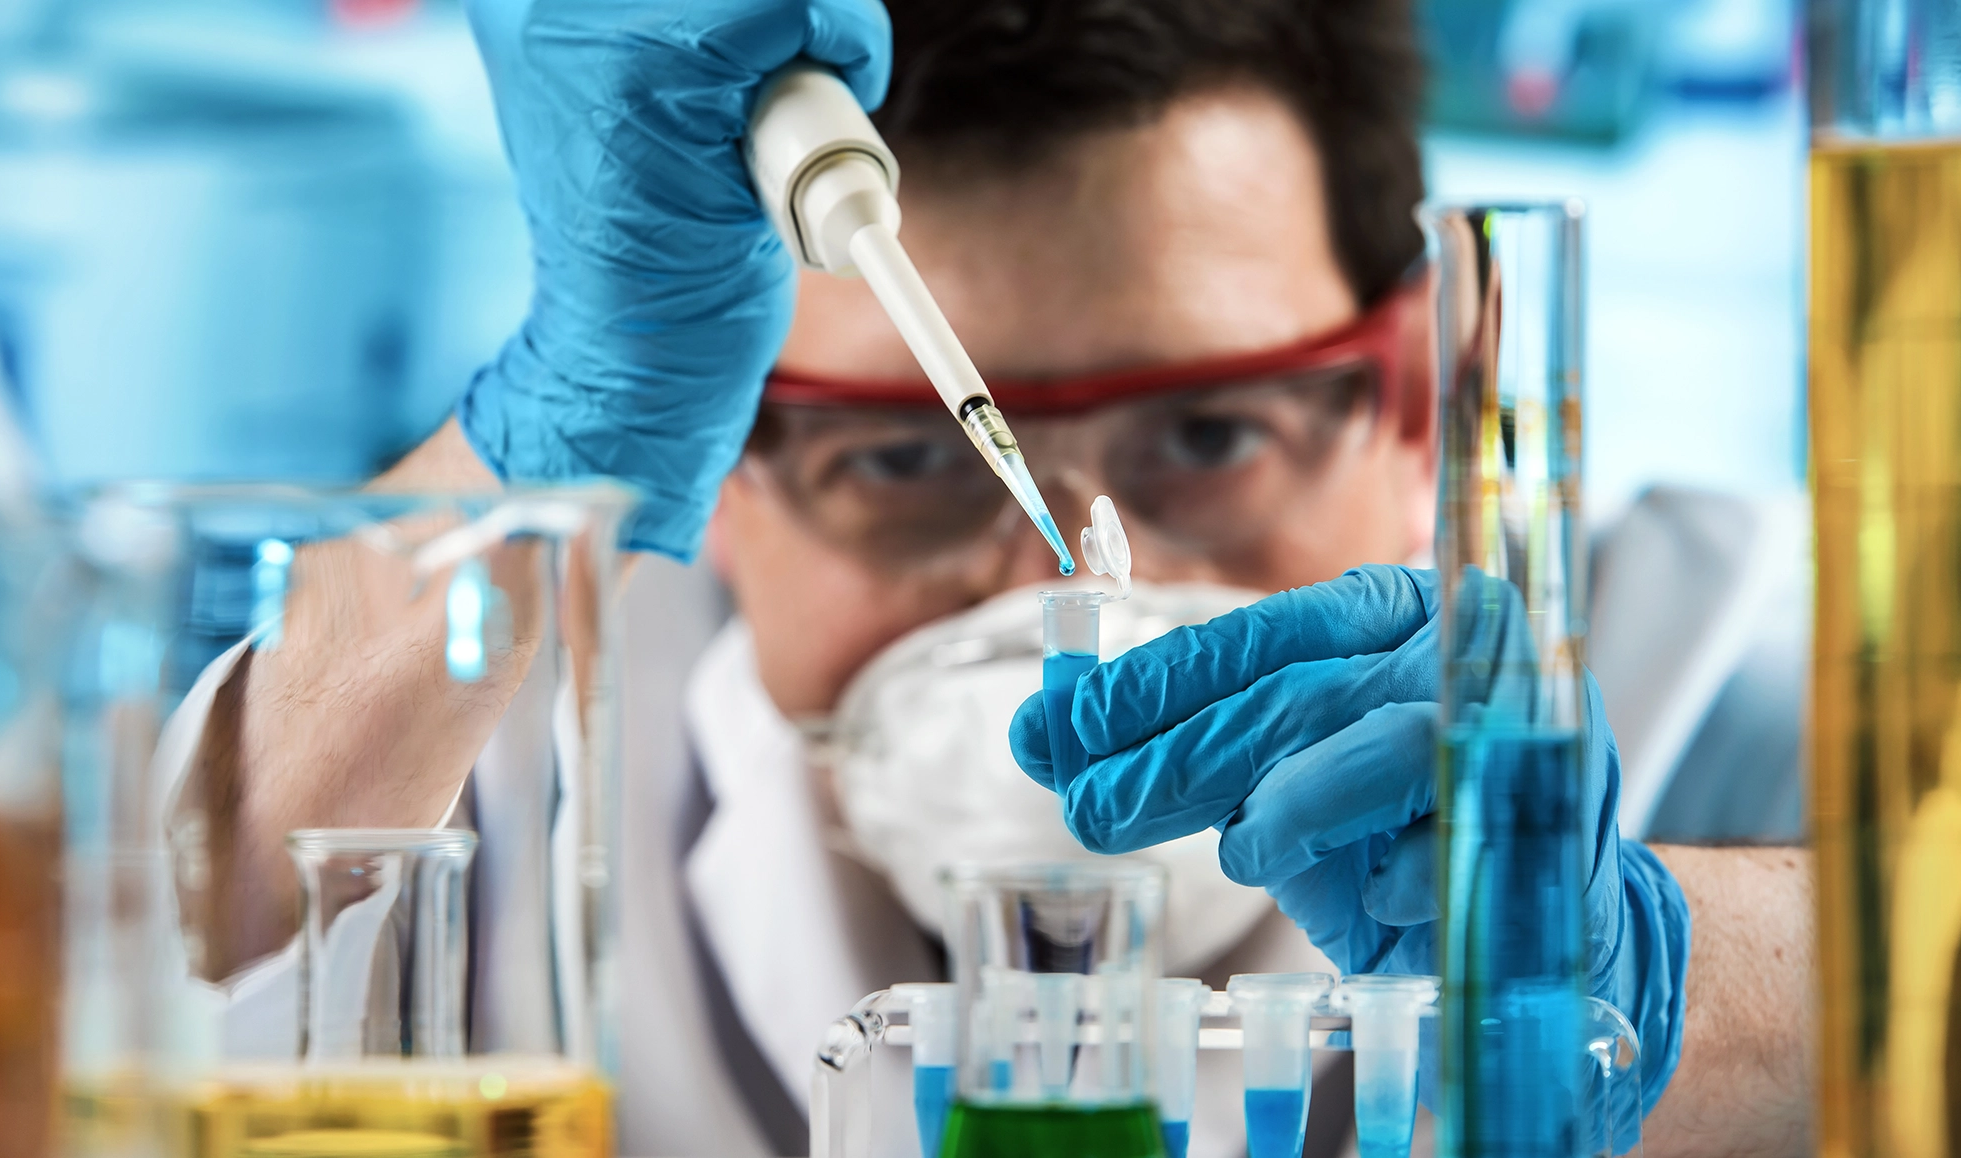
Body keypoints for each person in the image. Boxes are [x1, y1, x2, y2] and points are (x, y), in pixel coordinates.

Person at [168, 0, 1814, 1154]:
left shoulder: (1720, 683)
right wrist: (557, 422)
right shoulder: (529, 718)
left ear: (1414, 398)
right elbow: (106, 988)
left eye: (1214, 432)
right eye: (895, 460)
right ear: (729, 475)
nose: (1069, 583)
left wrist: (1684, 970)